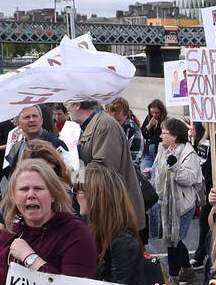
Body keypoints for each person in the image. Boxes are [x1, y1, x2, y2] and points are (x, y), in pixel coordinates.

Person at [68, 98, 146, 238]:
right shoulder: (93, 125)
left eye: (67, 104)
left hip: (115, 214)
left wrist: (72, 174)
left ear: (77, 105)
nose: (67, 109)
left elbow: (103, 171)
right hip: (106, 211)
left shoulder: (105, 125)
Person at [153, 116, 204, 282]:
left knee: (172, 241)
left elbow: (189, 179)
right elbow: (158, 169)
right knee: (173, 239)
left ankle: (173, 278)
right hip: (165, 202)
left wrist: (175, 166)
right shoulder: (162, 148)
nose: (161, 136)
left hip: (182, 205)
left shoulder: (190, 154)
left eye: (164, 133)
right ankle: (187, 269)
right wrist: (151, 172)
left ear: (174, 136)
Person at [106, 97, 145, 170]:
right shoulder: (105, 126)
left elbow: (134, 161)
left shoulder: (134, 132)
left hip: (124, 175)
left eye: (119, 120)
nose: (115, 124)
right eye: (112, 120)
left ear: (126, 115)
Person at [140, 99, 165, 176]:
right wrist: (149, 126)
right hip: (148, 153)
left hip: (158, 152)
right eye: (152, 112)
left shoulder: (165, 121)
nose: (154, 115)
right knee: (143, 173)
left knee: (155, 175)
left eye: (157, 113)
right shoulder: (148, 118)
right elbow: (142, 134)